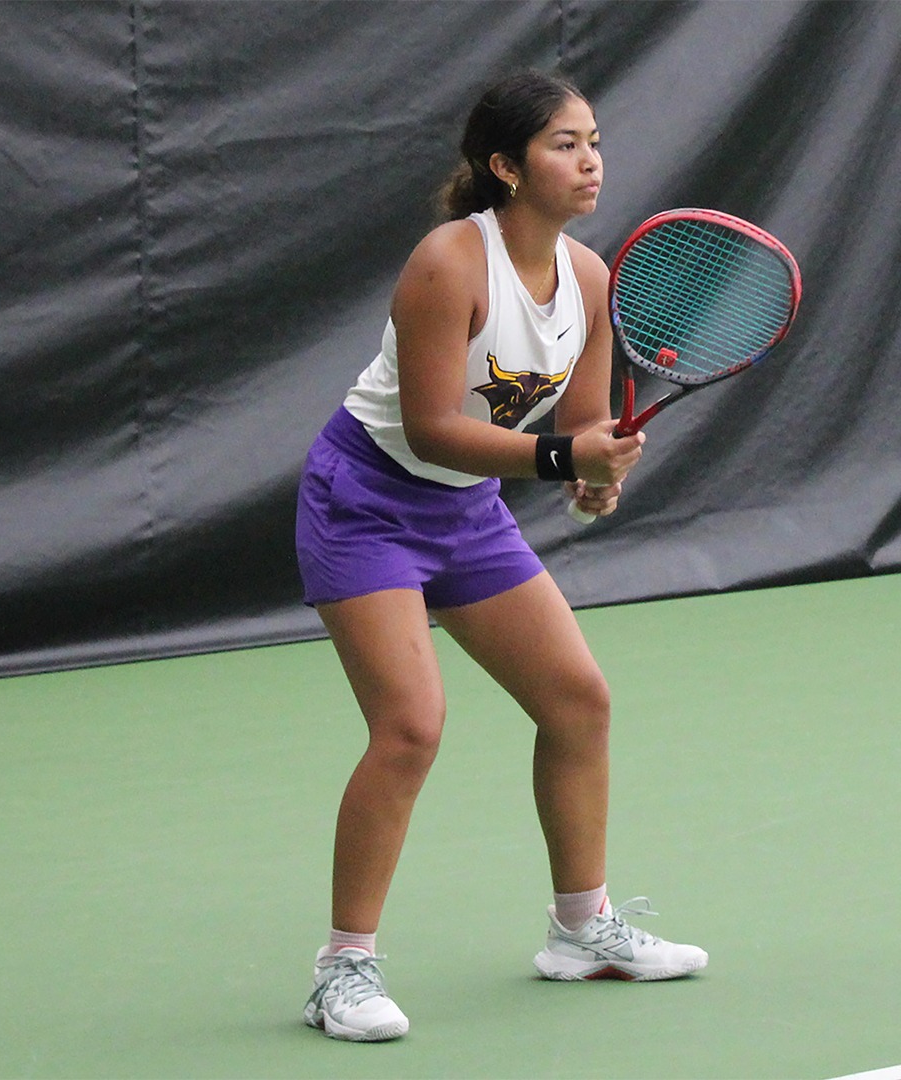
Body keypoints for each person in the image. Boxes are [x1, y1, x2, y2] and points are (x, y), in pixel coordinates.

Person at [294, 70, 707, 1042]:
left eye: (594, 140)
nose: (591, 159)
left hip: (467, 511)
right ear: (505, 167)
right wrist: (565, 459)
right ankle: (342, 971)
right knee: (411, 726)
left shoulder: (591, 277)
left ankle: (582, 931)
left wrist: (594, 475)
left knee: (578, 700)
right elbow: (434, 429)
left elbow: (581, 423)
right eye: (565, 143)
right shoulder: (449, 262)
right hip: (366, 502)